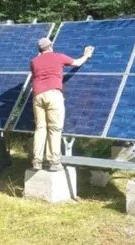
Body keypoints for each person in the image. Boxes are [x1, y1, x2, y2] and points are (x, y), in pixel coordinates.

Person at [30, 37, 94, 171]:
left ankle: (37, 161)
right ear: (50, 46)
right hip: (53, 94)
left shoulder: (34, 61)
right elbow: (76, 63)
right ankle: (54, 162)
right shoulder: (58, 57)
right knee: (54, 128)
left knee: (40, 128)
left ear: (39, 49)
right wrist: (86, 55)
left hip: (37, 95)